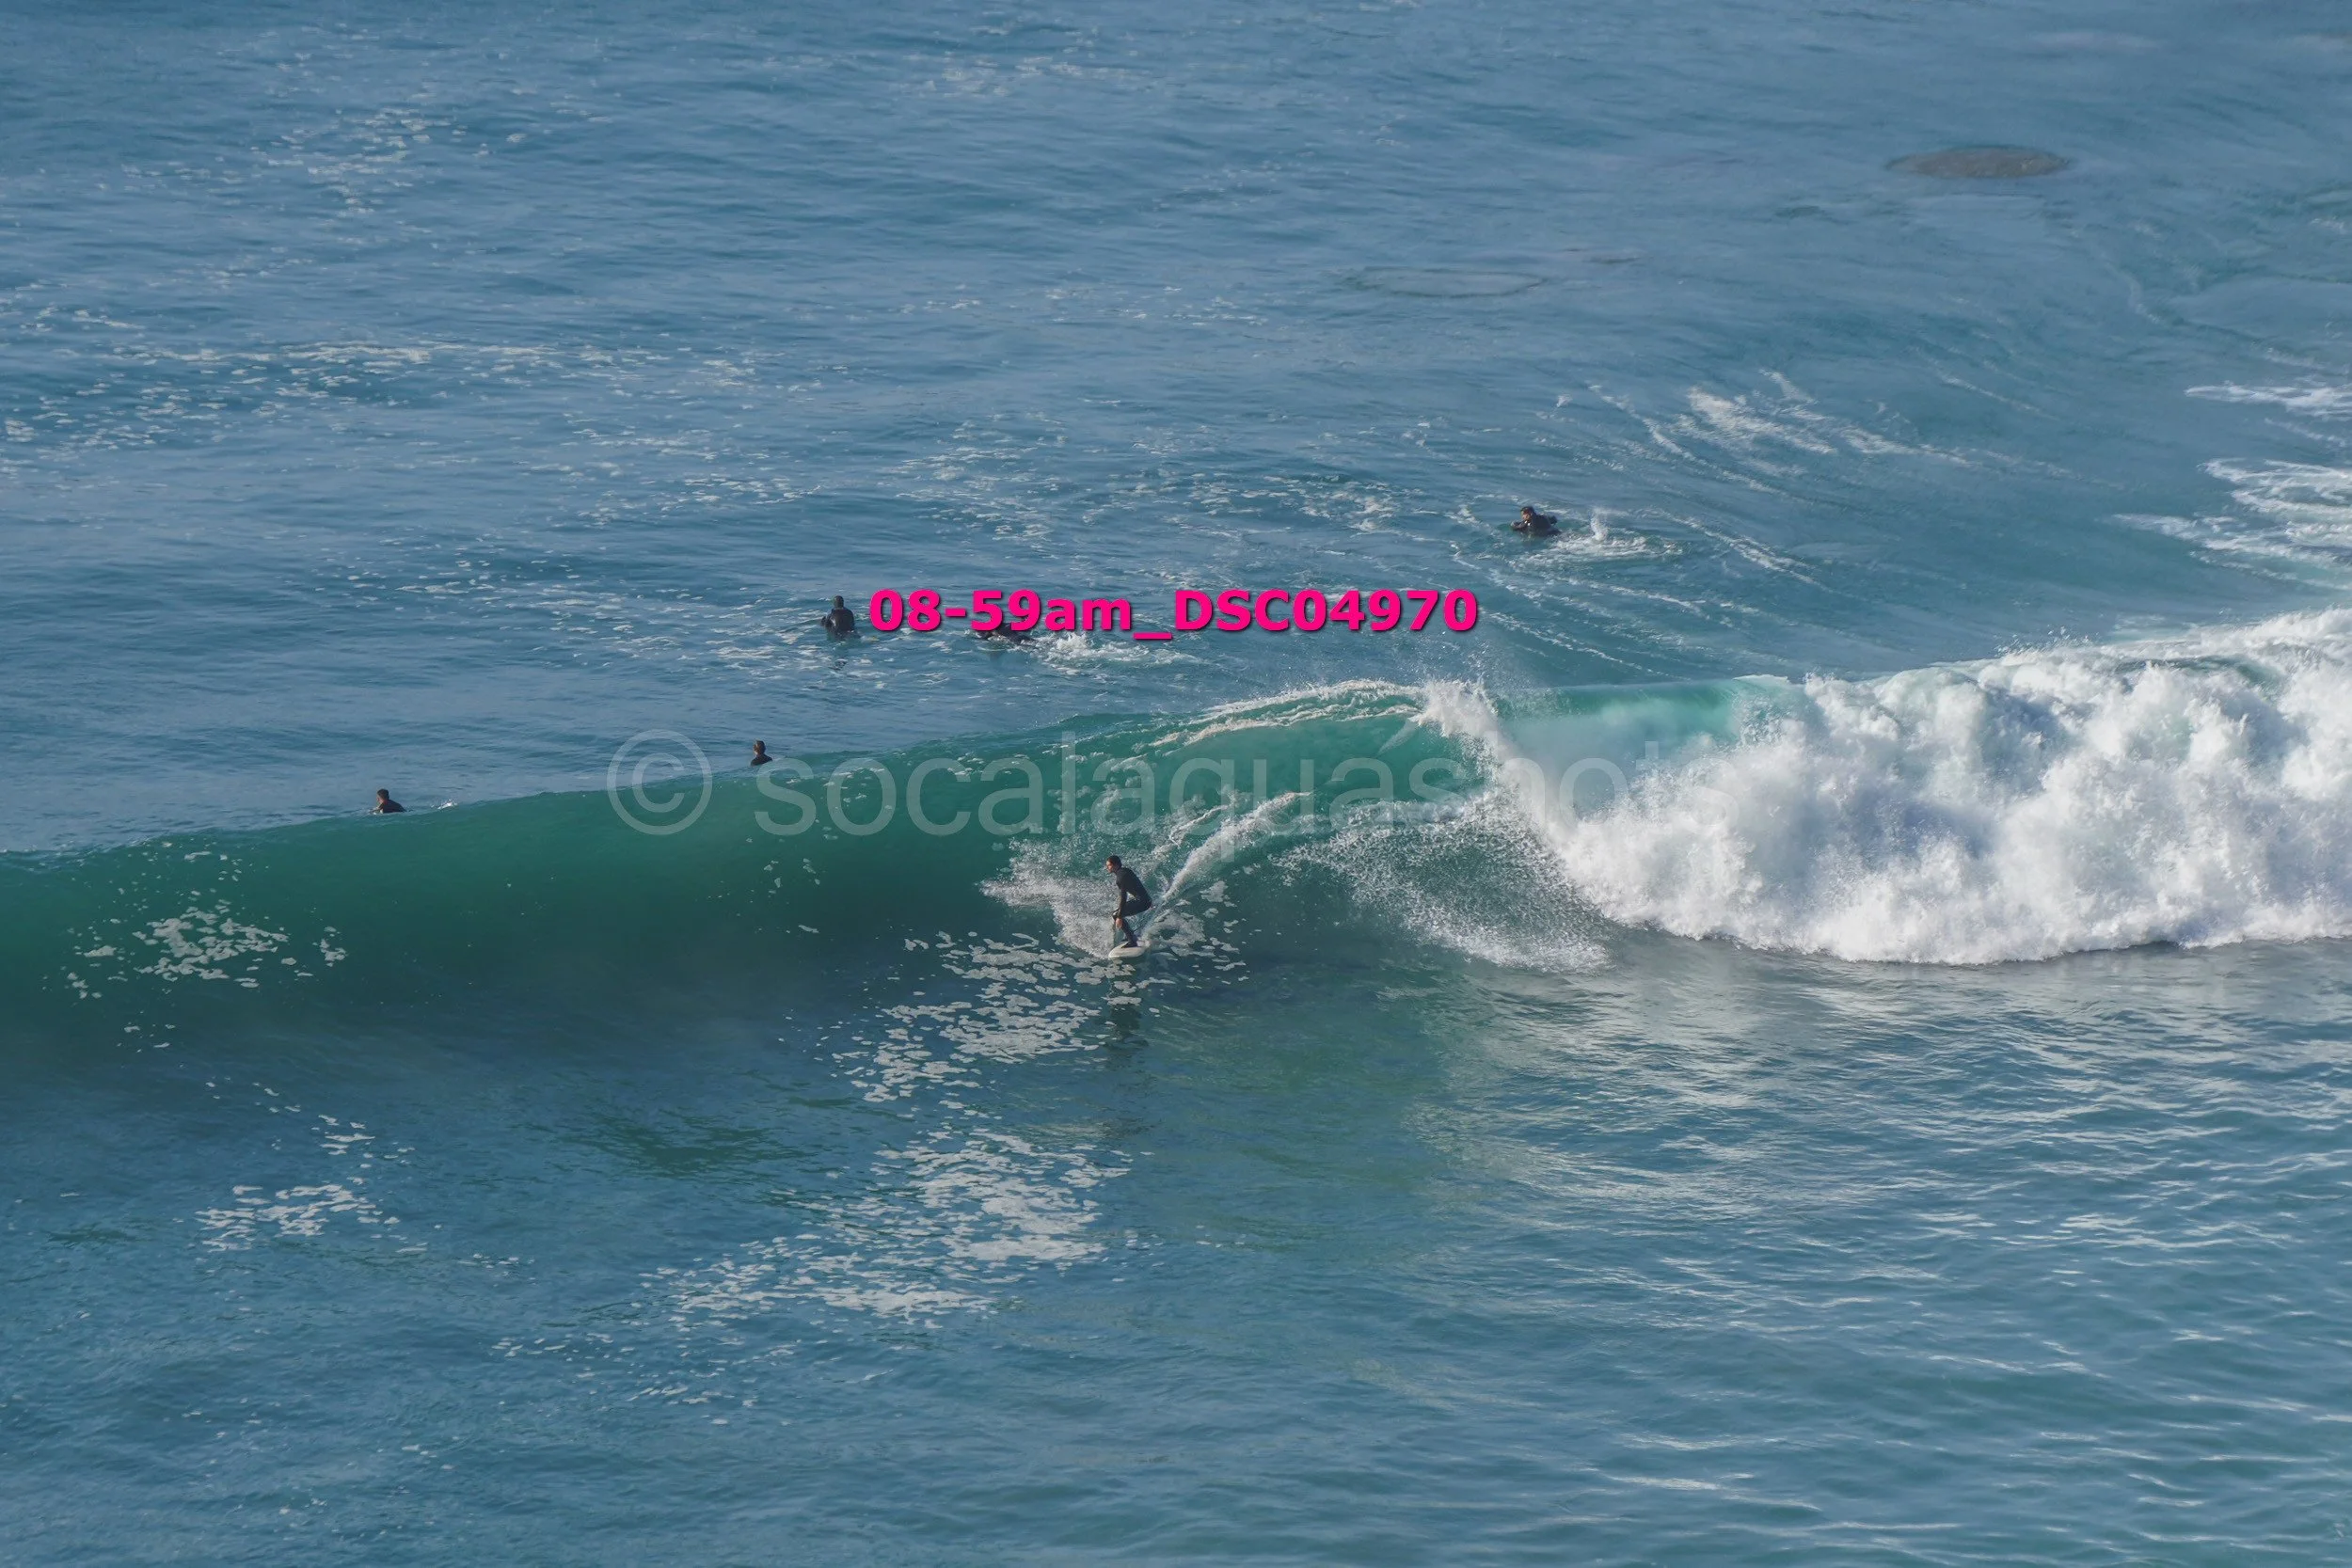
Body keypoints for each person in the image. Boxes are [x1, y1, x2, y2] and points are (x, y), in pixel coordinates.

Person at [1107, 855, 1152, 949]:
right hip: (1145, 900)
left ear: (1115, 865)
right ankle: (1131, 936)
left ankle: (1132, 941)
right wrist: (1148, 899)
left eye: (1109, 865)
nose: (1107, 867)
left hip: (1142, 902)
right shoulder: (1126, 871)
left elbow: (1123, 897)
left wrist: (1120, 916)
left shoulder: (1120, 877)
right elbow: (1138, 885)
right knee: (1116, 913)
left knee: (1116, 915)